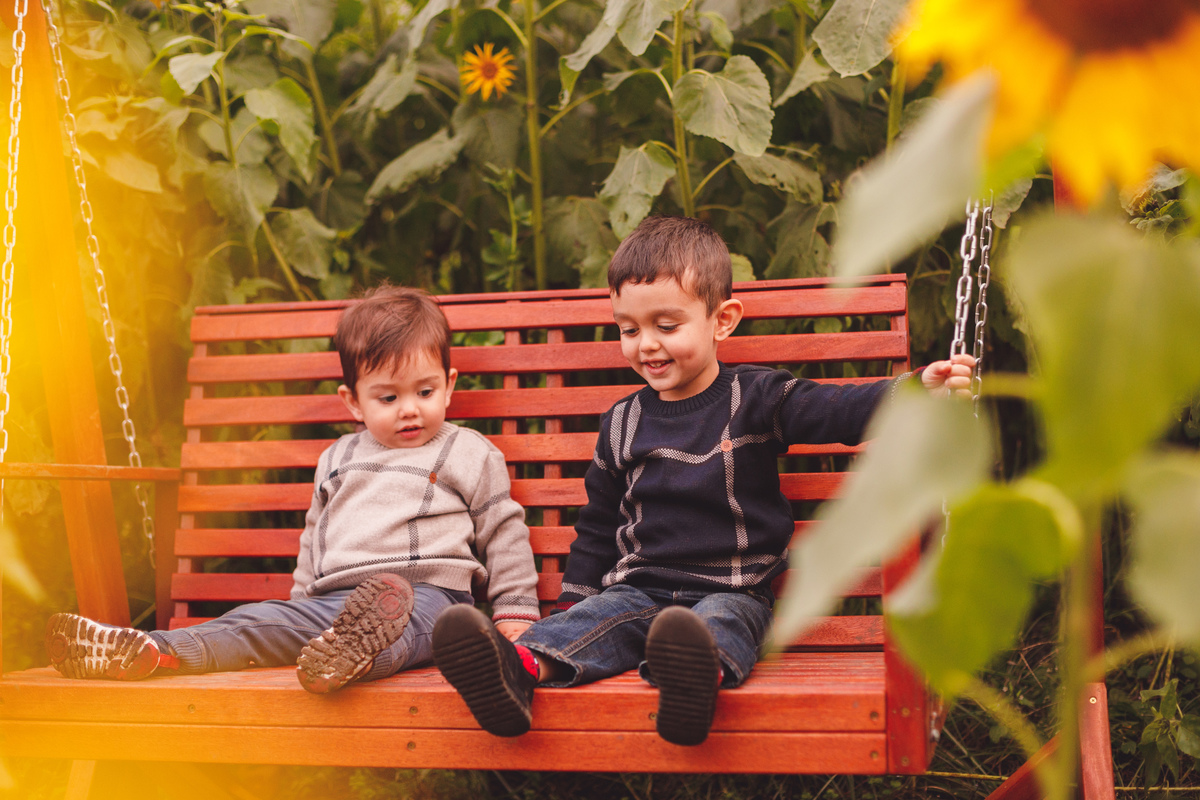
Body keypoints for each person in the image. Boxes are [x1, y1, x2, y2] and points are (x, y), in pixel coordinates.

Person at [432, 215, 975, 745]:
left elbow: (834, 409)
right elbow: (598, 526)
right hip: (638, 587)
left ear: (723, 319)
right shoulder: (621, 422)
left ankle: (689, 683)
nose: (646, 344)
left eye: (667, 326)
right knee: (592, 622)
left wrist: (912, 390)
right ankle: (516, 671)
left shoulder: (758, 398)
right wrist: (574, 600)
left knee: (721, 625)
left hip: (734, 587)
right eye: (629, 329)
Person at [45, 286, 540, 693]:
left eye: (425, 392)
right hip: (336, 604)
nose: (409, 408)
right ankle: (157, 651)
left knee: (413, 630)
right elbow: (314, 537)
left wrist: (515, 613)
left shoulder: (468, 451)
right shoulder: (337, 458)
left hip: (432, 594)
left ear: (449, 385)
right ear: (352, 401)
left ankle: (354, 658)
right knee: (258, 622)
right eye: (388, 397)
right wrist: (301, 603)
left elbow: (502, 530)